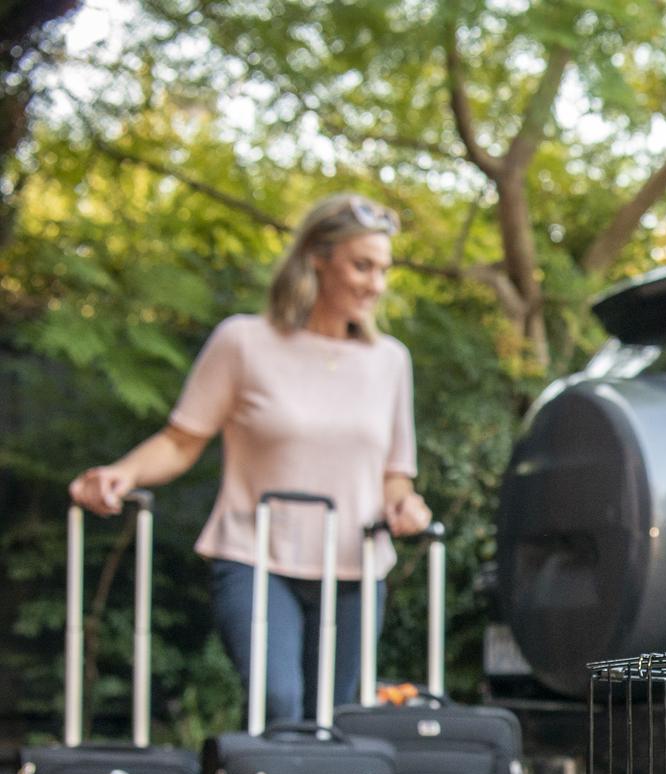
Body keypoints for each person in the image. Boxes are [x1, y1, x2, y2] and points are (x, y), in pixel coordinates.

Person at [68, 194, 432, 724]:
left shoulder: (390, 362)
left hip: (355, 567)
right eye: (361, 265)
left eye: (383, 269)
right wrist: (122, 473)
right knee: (277, 704)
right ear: (316, 257)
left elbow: (394, 476)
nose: (375, 284)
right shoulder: (244, 342)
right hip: (257, 557)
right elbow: (180, 441)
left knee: (338, 717)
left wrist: (408, 507)